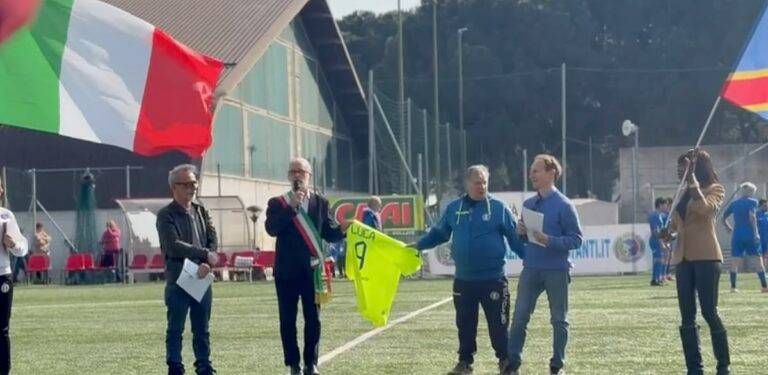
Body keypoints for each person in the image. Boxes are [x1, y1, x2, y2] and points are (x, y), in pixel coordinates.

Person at [414, 165, 524, 375]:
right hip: (464, 281)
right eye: (477, 182)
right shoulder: (454, 209)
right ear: (467, 184)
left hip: (493, 279)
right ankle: (465, 362)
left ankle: (505, 362)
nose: (481, 186)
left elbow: (516, 240)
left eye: (484, 182)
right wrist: (419, 245)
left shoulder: (499, 208)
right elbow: (439, 234)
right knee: (465, 324)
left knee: (499, 325)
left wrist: (532, 260)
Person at [266, 157, 348, 375]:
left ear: (309, 176)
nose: (297, 175)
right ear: (288, 176)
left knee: (313, 318)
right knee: (287, 320)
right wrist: (292, 207)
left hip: (313, 271)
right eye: (293, 171)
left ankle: (311, 363)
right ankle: (293, 364)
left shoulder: (320, 203)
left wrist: (343, 229)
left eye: (301, 172)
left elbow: (329, 232)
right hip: (286, 272)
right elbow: (272, 229)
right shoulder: (278, 203)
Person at [508, 154, 583, 375]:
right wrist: (520, 232)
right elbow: (524, 238)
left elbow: (576, 240)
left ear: (552, 174)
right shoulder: (528, 204)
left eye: (536, 170)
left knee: (559, 319)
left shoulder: (565, 205)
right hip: (530, 267)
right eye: (532, 170)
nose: (532, 174)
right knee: (520, 316)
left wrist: (549, 240)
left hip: (556, 270)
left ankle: (557, 365)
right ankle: (512, 363)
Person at [660, 149, 730, 375]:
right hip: (683, 259)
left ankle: (723, 364)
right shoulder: (682, 195)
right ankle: (694, 368)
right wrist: (667, 234)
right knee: (687, 315)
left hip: (707, 258)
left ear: (698, 167)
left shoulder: (715, 190)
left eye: (685, 166)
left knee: (709, 311)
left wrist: (693, 183)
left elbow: (705, 210)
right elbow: (675, 228)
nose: (680, 170)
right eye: (680, 167)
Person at [156, 164, 219, 375]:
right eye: (187, 184)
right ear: (174, 187)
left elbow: (212, 239)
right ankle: (175, 366)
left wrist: (207, 263)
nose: (192, 188)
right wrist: (203, 255)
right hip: (179, 277)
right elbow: (173, 245)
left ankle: (204, 365)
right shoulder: (166, 215)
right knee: (176, 329)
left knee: (202, 328)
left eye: (194, 183)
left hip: (202, 275)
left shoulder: (201, 210)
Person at [0, 178, 28, 375]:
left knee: (1, 329)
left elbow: (22, 248)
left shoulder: (6, 216)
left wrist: (12, 244)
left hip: (2, 277)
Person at [721, 182, 768, 293]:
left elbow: (723, 217)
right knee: (757, 260)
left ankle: (733, 287)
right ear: (751, 192)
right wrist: (756, 233)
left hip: (737, 235)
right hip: (750, 234)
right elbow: (752, 217)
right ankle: (764, 286)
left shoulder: (734, 203)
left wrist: (728, 227)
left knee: (735, 260)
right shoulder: (753, 202)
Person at [648, 197, 670, 286]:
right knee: (658, 259)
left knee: (660, 259)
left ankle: (658, 278)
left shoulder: (660, 215)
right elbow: (655, 231)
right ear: (660, 205)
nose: (666, 207)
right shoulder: (655, 216)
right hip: (655, 240)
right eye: (665, 205)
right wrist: (661, 242)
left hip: (659, 240)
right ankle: (654, 279)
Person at [758, 199, 768, 268]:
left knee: (765, 254)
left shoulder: (767, 215)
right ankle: (761, 270)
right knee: (759, 255)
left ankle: (765, 270)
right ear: (760, 206)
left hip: (766, 238)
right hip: (759, 238)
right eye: (765, 206)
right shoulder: (756, 214)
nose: (767, 207)